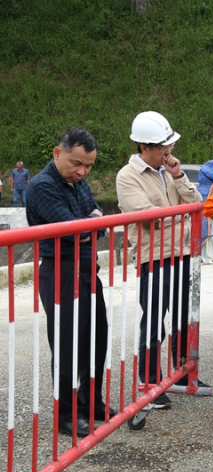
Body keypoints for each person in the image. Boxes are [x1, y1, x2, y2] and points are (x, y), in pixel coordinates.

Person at [26, 127, 117, 437]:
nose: (82, 171)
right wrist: (92, 222)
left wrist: (92, 221)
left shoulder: (78, 182)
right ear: (57, 153)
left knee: (96, 337)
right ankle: (66, 414)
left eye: (89, 165)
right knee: (67, 345)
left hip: (87, 268)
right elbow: (73, 227)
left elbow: (97, 216)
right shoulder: (42, 186)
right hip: (60, 271)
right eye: (77, 163)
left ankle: (92, 403)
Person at [116, 111, 204, 409]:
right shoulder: (127, 177)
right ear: (144, 147)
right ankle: (151, 382)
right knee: (154, 321)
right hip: (154, 258)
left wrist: (179, 176)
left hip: (182, 255)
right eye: (162, 147)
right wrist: (182, 218)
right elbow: (147, 219)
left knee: (182, 318)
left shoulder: (169, 172)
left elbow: (196, 205)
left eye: (170, 145)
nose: (169, 152)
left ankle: (182, 374)